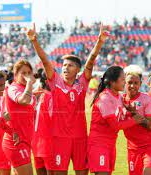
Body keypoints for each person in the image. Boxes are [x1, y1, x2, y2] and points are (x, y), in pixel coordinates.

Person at [27, 23, 109, 175]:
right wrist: (34, 41)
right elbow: (45, 61)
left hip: (80, 138)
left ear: (78, 70)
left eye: (70, 65)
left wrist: (99, 42)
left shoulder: (82, 84)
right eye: (64, 65)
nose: (65, 68)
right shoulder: (56, 82)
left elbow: (90, 62)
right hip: (59, 138)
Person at [88, 66, 144, 175]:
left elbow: (121, 115)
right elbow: (115, 125)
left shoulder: (118, 96)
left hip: (110, 144)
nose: (125, 82)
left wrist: (132, 111)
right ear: (113, 82)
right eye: (123, 79)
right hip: (99, 144)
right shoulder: (105, 98)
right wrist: (134, 120)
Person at [122, 65, 151, 175]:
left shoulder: (147, 100)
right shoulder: (120, 100)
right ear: (124, 83)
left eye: (136, 83)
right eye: (129, 82)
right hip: (133, 148)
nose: (132, 86)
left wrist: (134, 113)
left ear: (140, 84)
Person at [2, 60, 36, 175]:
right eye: (23, 73)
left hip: (25, 139)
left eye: (29, 72)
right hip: (16, 142)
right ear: (16, 75)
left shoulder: (25, 89)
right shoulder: (13, 88)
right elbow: (24, 100)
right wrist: (30, 83)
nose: (27, 76)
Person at [0, 70, 15, 175]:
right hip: (3, 132)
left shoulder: (7, 91)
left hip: (6, 132)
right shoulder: (4, 92)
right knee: (4, 167)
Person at [32, 68, 52, 175]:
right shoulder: (50, 96)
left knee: (40, 170)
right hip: (48, 142)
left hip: (35, 141)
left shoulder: (35, 95)